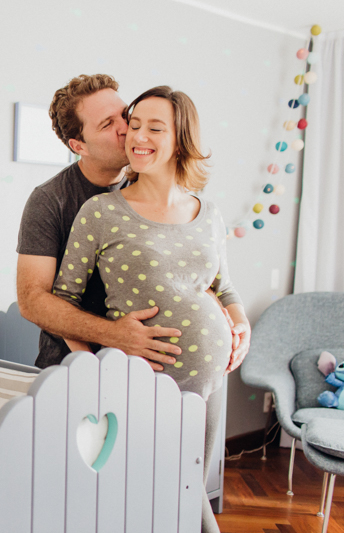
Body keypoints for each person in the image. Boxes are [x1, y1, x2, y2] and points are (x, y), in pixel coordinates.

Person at [52, 85, 250, 533]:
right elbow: (63, 297)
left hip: (211, 383)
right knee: (160, 495)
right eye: (134, 124)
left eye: (155, 128)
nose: (137, 136)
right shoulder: (101, 212)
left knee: (185, 495)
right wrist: (94, 367)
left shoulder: (208, 212)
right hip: (141, 382)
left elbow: (222, 285)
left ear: (180, 139)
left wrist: (241, 325)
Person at [16, 74, 251, 372]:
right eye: (107, 124)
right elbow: (33, 301)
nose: (128, 130)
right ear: (79, 146)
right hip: (77, 368)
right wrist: (112, 337)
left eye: (125, 116)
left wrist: (234, 323)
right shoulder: (53, 201)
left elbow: (201, 280)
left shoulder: (162, 188)